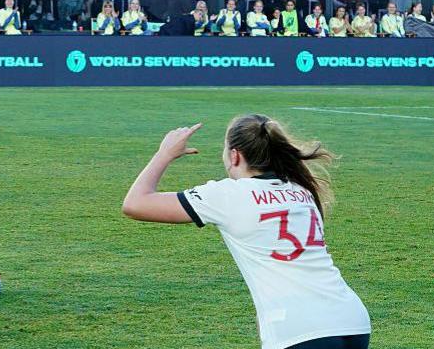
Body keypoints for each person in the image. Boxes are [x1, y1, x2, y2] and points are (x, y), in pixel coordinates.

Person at [122, 117, 371, 349]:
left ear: (235, 155)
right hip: (351, 321)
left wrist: (164, 154)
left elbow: (135, 204)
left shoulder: (227, 195)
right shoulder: (300, 189)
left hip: (299, 329)